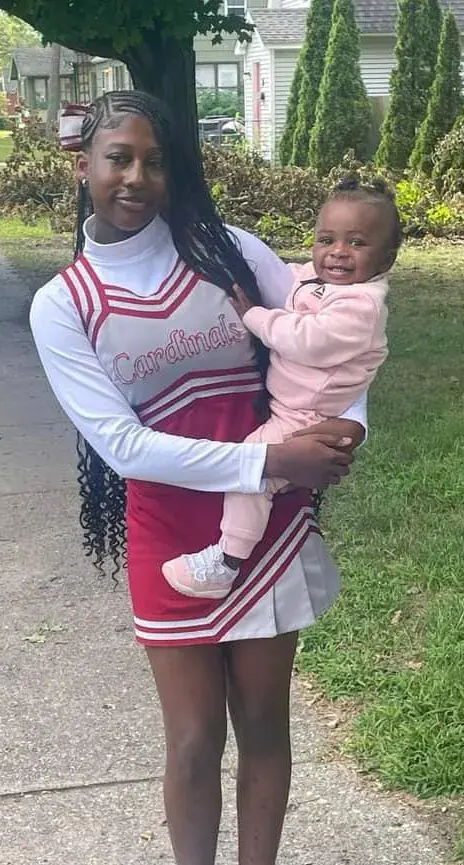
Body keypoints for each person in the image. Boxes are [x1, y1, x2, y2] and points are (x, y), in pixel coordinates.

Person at [30, 91, 369, 865]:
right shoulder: (64, 303)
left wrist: (347, 428)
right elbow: (121, 446)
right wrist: (270, 462)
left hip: (267, 527)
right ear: (84, 165)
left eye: (155, 160)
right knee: (190, 740)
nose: (136, 177)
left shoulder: (228, 251)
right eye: (118, 158)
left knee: (264, 724)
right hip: (171, 533)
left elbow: (338, 338)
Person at [162, 178, 401, 600]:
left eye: (356, 243)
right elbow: (291, 281)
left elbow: (307, 340)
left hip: (309, 416)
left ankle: (227, 560)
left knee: (253, 469)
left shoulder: (360, 306)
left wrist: (255, 316)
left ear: (386, 257)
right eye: (326, 239)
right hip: (292, 403)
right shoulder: (322, 279)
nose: (338, 252)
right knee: (256, 468)